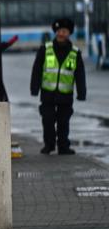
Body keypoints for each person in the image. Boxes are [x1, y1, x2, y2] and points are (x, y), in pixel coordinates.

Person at [30, 18, 86, 155]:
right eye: (59, 31)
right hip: (48, 94)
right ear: (56, 32)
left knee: (63, 122)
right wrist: (34, 88)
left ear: (69, 33)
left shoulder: (75, 53)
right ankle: (49, 145)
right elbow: (37, 69)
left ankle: (63, 147)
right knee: (48, 121)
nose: (61, 34)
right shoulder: (45, 49)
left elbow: (80, 74)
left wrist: (81, 92)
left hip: (65, 95)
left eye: (65, 31)